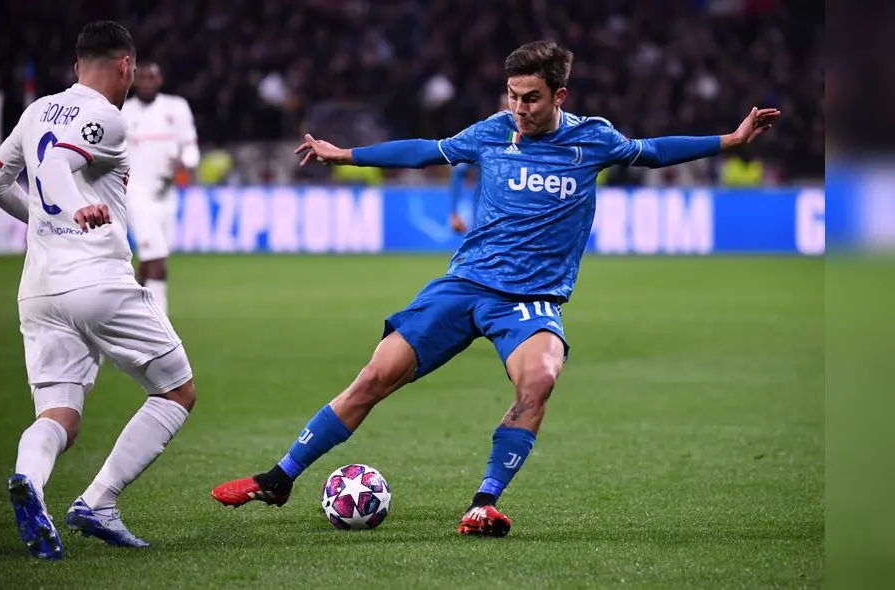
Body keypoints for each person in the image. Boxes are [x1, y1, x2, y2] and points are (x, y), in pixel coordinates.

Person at [211, 40, 779, 537]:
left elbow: (654, 152)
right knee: (375, 376)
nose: (518, 107)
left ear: (560, 95)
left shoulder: (593, 140)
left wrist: (730, 139)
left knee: (540, 379)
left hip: (530, 301)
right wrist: (348, 156)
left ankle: (484, 503)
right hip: (464, 285)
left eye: (530, 97)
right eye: (512, 94)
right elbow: (425, 151)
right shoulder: (492, 132)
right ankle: (279, 477)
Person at [0, 21, 197, 559]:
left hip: (38, 290)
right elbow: (56, 165)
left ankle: (29, 479)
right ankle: (98, 501)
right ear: (126, 66)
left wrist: (41, 220)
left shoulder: (36, 112)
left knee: (59, 416)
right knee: (176, 390)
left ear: (78, 66)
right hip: (95, 280)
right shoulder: (108, 117)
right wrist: (73, 208)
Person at [121, 61, 200, 316]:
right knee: (156, 260)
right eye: (141, 77)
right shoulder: (123, 111)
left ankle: (121, 314)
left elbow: (190, 147)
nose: (146, 81)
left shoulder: (176, 108)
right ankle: (159, 324)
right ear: (134, 80)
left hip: (166, 194)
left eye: (151, 77)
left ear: (160, 80)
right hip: (135, 195)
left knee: (151, 261)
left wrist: (185, 162)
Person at [449, 94, 511, 234]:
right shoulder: (486, 138)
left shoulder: (532, 143)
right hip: (485, 219)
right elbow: (458, 173)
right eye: (507, 107)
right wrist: (454, 213)